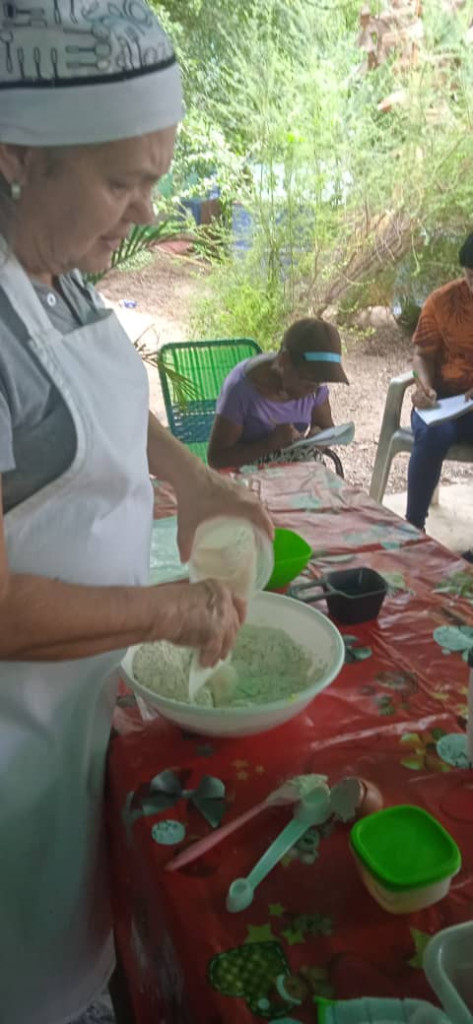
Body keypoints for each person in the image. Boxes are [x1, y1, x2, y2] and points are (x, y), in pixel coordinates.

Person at [0, 5, 272, 1023]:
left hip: (69, 709)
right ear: (18, 154)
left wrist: (189, 478)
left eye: (154, 179)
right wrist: (165, 610)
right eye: (122, 182)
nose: (143, 213)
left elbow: (105, 395)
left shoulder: (55, 265)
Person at [208, 318, 349, 470]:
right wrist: (270, 444)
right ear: (284, 360)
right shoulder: (240, 389)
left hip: (292, 473)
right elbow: (217, 458)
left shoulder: (314, 387)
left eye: (319, 383)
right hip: (248, 477)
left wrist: (318, 439)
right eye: (308, 382)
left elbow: (326, 427)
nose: (313, 391)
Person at [407, 233, 473, 553]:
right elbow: (421, 353)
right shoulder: (443, 301)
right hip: (444, 398)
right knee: (432, 434)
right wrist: (426, 387)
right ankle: (412, 528)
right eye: (472, 277)